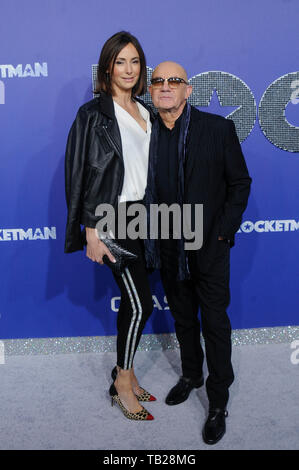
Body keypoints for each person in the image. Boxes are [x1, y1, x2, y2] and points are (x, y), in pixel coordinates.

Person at [144, 61, 252, 443]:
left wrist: (222, 235)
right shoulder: (145, 133)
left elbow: (240, 184)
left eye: (174, 81)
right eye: (158, 81)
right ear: (151, 91)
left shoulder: (217, 129)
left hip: (209, 247)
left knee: (215, 325)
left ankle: (218, 401)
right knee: (184, 320)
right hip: (168, 247)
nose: (166, 86)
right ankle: (191, 374)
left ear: (188, 90)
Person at [64, 32, 156, 421]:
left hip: (144, 217)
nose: (129, 69)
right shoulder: (92, 115)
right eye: (121, 62)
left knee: (137, 303)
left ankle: (128, 372)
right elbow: (80, 174)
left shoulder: (146, 110)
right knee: (139, 305)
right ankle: (122, 382)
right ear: (107, 68)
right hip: (110, 218)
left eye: (135, 61)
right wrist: (91, 231)